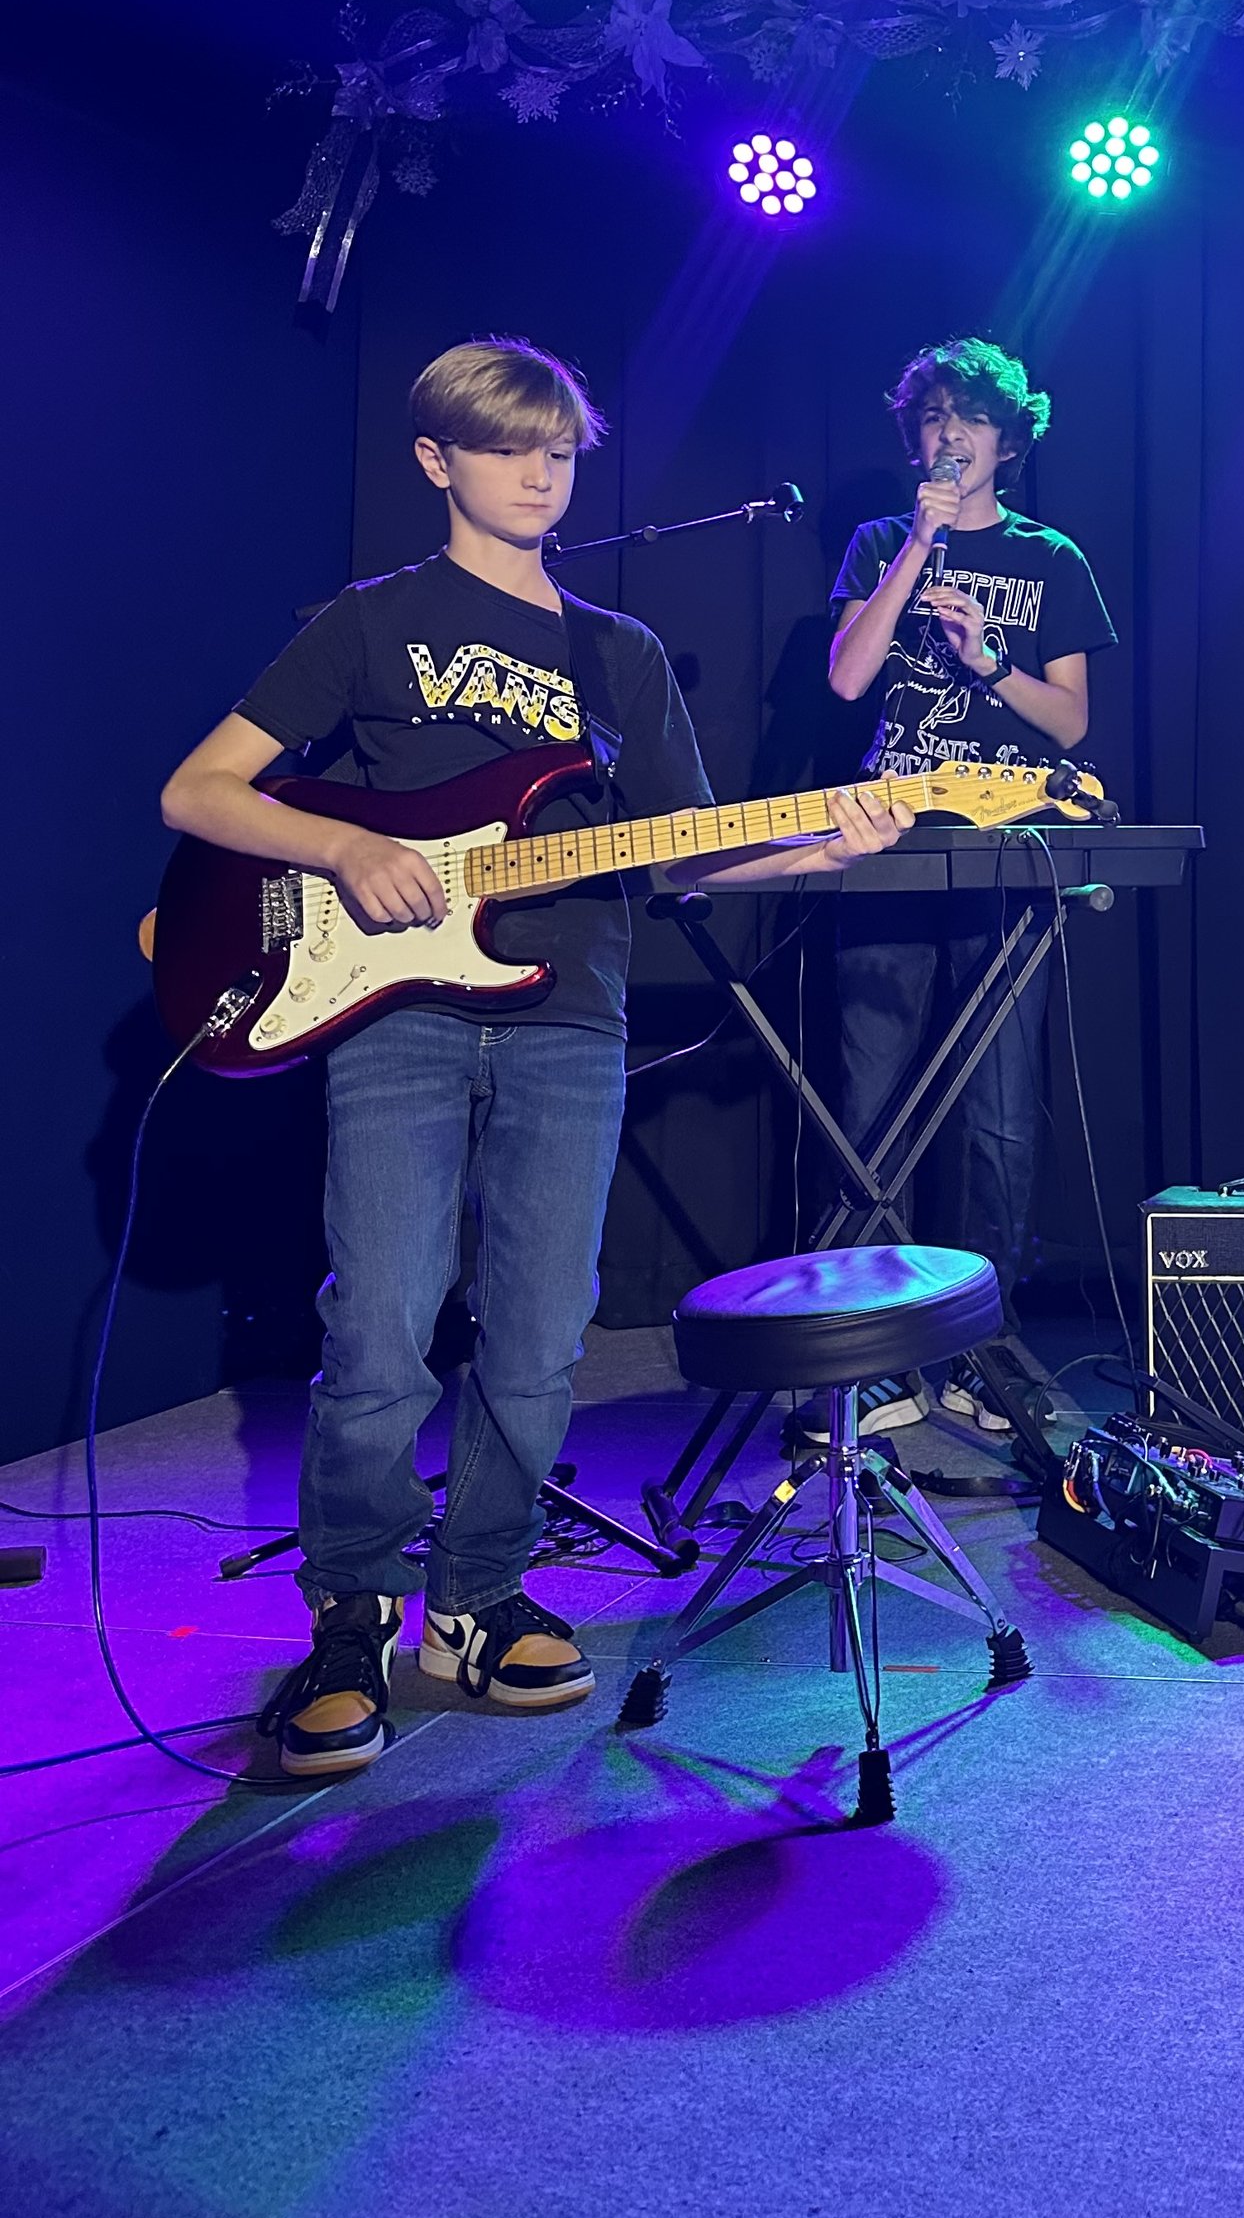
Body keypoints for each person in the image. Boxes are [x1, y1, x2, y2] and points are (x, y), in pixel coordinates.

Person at [160, 337, 908, 1777]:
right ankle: (350, 1610)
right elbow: (196, 789)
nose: (542, 473)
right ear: (438, 460)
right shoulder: (371, 622)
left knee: (545, 1326)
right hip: (395, 1011)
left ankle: (478, 1595)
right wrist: (348, 843)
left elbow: (688, 861)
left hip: (573, 1016)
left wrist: (828, 838)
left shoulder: (615, 653)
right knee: (379, 1319)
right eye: (510, 448)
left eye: (560, 450)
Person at [827, 338, 1116, 1375]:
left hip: (1006, 854)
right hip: (888, 844)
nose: (951, 438)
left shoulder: (1052, 559)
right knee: (870, 1103)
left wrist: (989, 661)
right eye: (935, 420)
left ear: (1006, 439)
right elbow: (849, 681)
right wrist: (915, 550)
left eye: (972, 420)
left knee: (997, 1115)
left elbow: (1072, 724)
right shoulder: (876, 542)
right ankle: (866, 1350)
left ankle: (984, 1346)